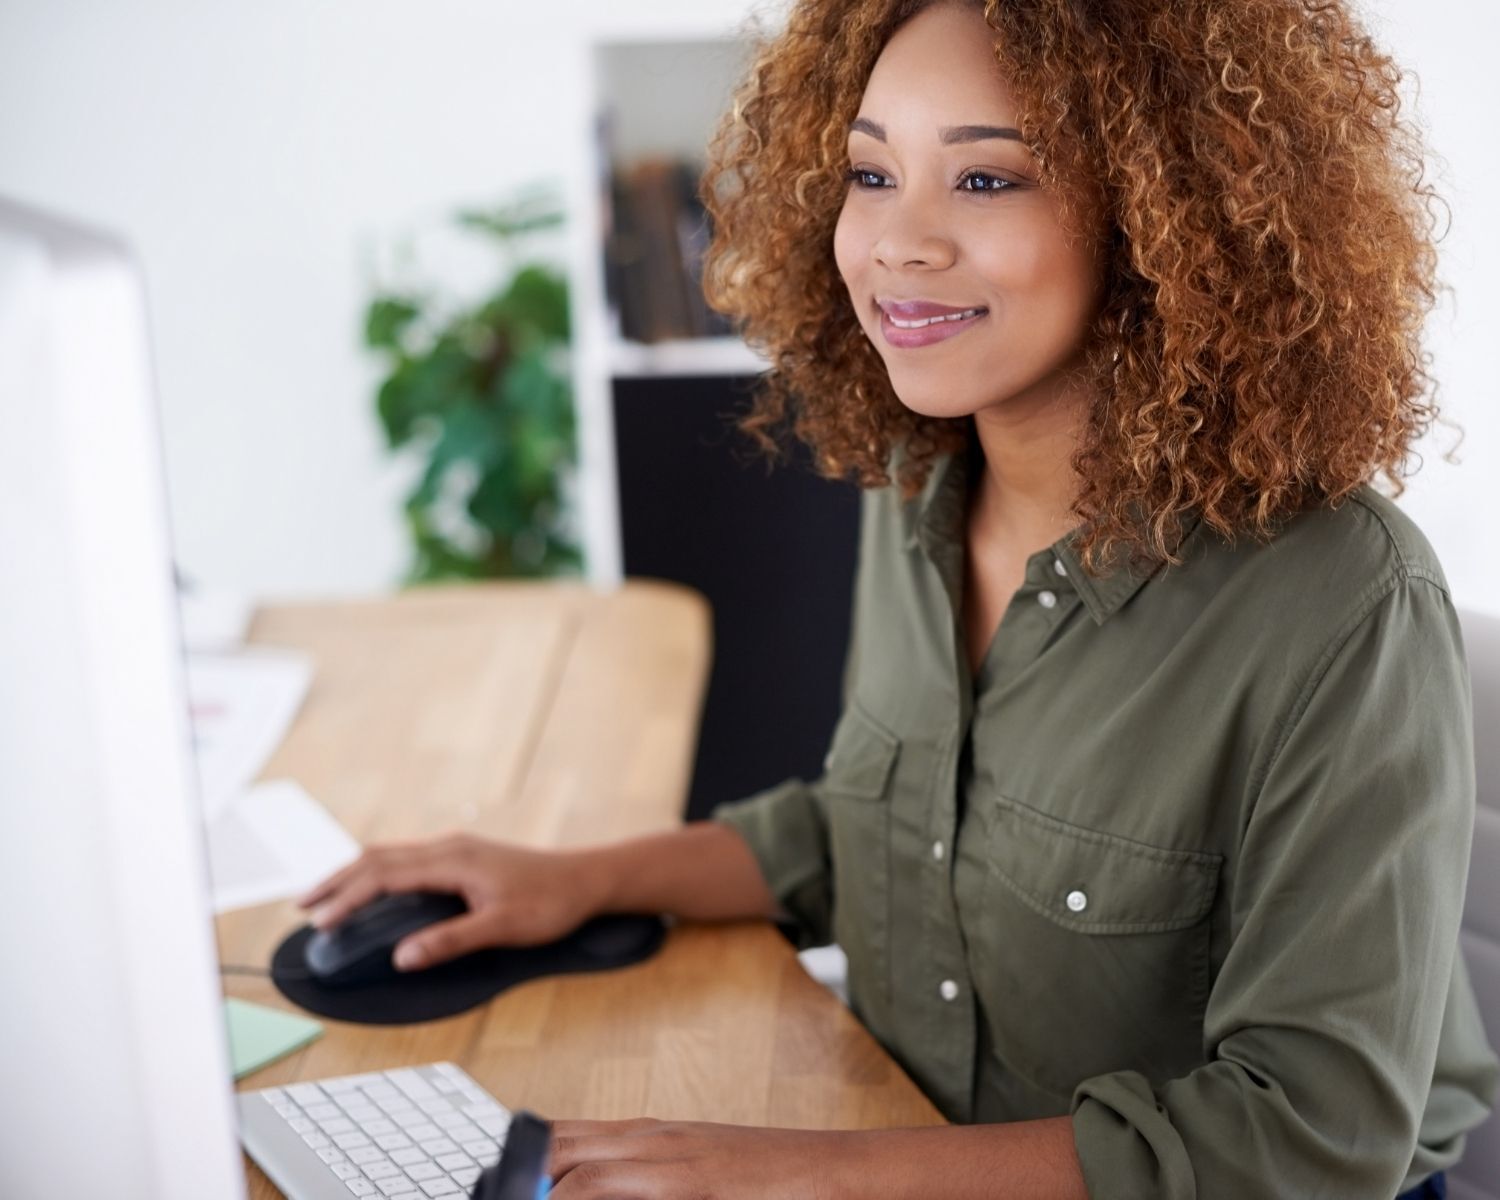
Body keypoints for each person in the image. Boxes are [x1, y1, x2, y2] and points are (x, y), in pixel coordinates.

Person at [298, 0, 1499, 1195]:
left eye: (986, 182)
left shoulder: (1342, 604)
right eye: (871, 174)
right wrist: (577, 880)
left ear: (1164, 214)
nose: (896, 243)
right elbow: (890, 829)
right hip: (903, 1137)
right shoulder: (923, 479)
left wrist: (796, 1177)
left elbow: (1310, 1143)